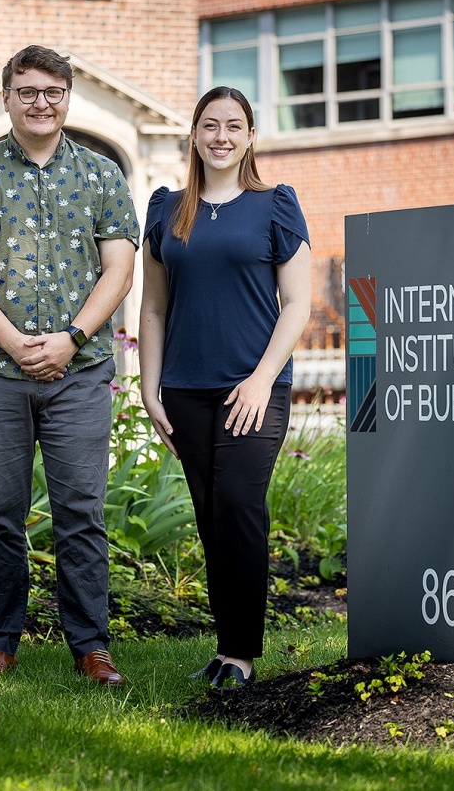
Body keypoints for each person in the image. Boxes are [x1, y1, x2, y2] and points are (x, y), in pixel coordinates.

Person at [0, 45, 138, 685]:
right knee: (0, 514)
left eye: (52, 91)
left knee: (82, 513)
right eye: (27, 91)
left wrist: (72, 338)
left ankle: (91, 648)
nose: (40, 102)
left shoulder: (103, 174)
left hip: (80, 371)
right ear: (8, 98)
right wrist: (17, 343)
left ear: (67, 97)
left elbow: (120, 268)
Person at [138, 85, 311, 688]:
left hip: (253, 389)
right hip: (185, 389)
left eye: (233, 126)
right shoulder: (166, 210)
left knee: (239, 506)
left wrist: (262, 380)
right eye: (210, 125)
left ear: (251, 135)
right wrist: (149, 389)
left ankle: (240, 654)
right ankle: (225, 647)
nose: (221, 136)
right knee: (212, 514)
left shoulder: (275, 206)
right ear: (194, 134)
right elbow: (153, 308)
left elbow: (298, 304)